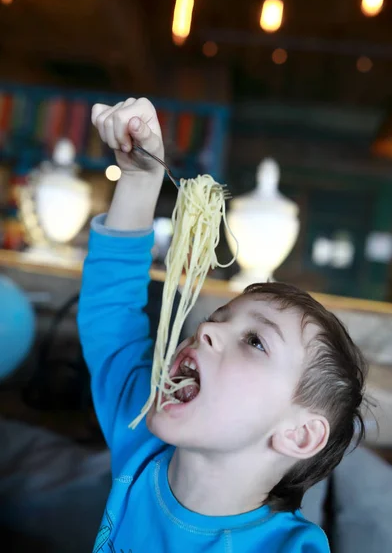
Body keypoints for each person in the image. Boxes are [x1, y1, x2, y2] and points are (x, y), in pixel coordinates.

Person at [78, 97, 367, 552]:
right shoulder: (142, 440)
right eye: (216, 319)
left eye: (255, 341)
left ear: (298, 433)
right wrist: (138, 181)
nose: (206, 332)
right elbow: (110, 314)